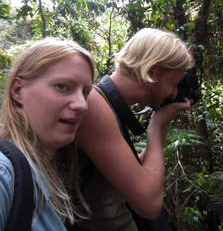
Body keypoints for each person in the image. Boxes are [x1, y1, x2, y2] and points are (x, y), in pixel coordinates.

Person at [76, 28, 195, 230]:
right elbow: (149, 205)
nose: (174, 93)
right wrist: (155, 128)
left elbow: (134, 174)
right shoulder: (95, 105)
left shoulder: (108, 104)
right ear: (152, 72)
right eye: (173, 83)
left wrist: (163, 120)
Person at [0, 37, 95, 230]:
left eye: (85, 92)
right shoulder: (5, 173)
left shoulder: (53, 168)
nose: (82, 105)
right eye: (62, 87)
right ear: (18, 90)